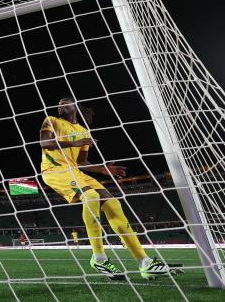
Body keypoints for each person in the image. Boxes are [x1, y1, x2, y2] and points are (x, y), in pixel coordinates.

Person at [40, 96, 170, 280]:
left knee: (113, 204)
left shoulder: (84, 132)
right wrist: (73, 143)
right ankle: (99, 258)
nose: (60, 106)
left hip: (74, 171)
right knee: (91, 196)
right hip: (54, 170)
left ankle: (145, 263)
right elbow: (45, 143)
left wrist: (102, 169)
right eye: (59, 104)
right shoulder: (51, 120)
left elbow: (81, 162)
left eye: (64, 104)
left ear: (75, 107)